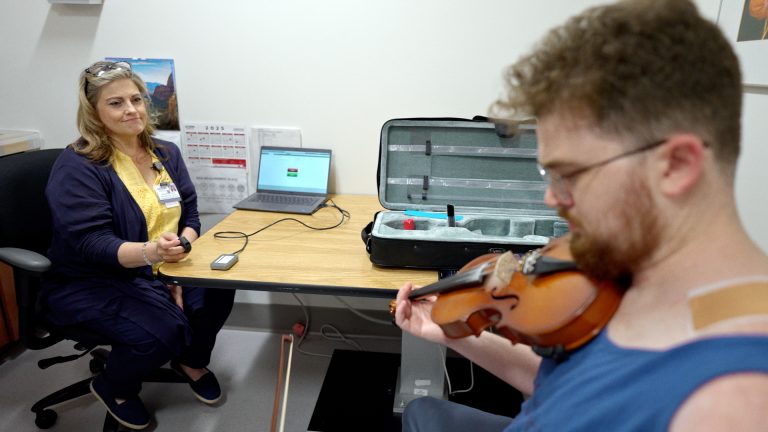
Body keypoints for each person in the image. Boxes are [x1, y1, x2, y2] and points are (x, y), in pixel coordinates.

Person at [394, 0, 768, 430]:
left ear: (676, 166)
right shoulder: (624, 276)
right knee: (423, 411)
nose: (552, 197)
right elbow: (566, 389)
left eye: (569, 174)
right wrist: (451, 336)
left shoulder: (733, 400)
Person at [41, 61, 236, 430]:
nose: (131, 110)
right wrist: (153, 256)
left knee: (217, 290)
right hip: (93, 279)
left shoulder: (165, 153)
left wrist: (180, 250)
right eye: (116, 103)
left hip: (161, 263)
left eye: (136, 99)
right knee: (161, 330)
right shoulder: (79, 166)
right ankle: (115, 387)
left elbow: (190, 215)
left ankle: (191, 361)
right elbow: (92, 243)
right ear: (94, 112)